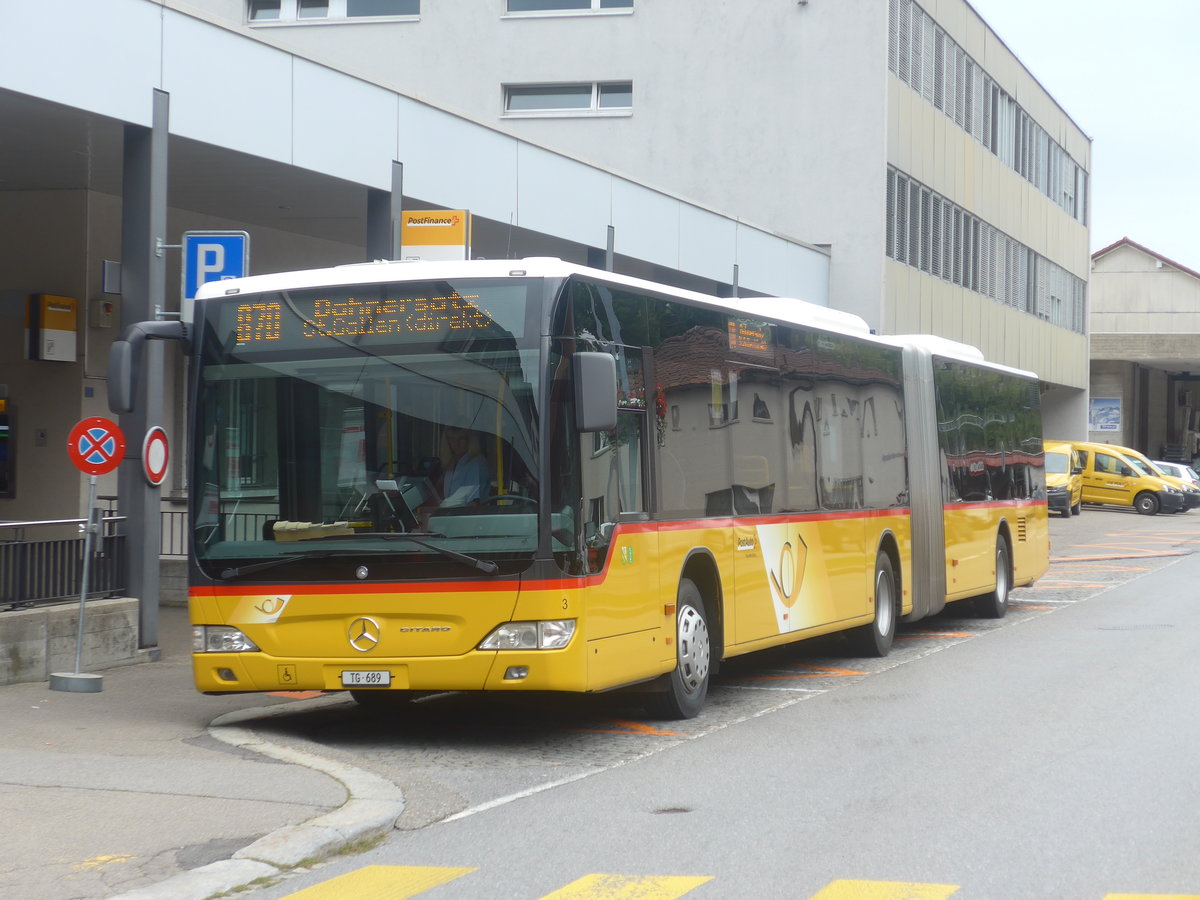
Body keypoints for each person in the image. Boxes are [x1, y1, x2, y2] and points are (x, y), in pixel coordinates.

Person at [438, 426, 491, 507]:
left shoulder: (477, 463)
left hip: (468, 514)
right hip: (450, 513)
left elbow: (474, 503)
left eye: (462, 438)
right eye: (452, 439)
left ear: (470, 440)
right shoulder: (450, 465)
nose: (456, 444)